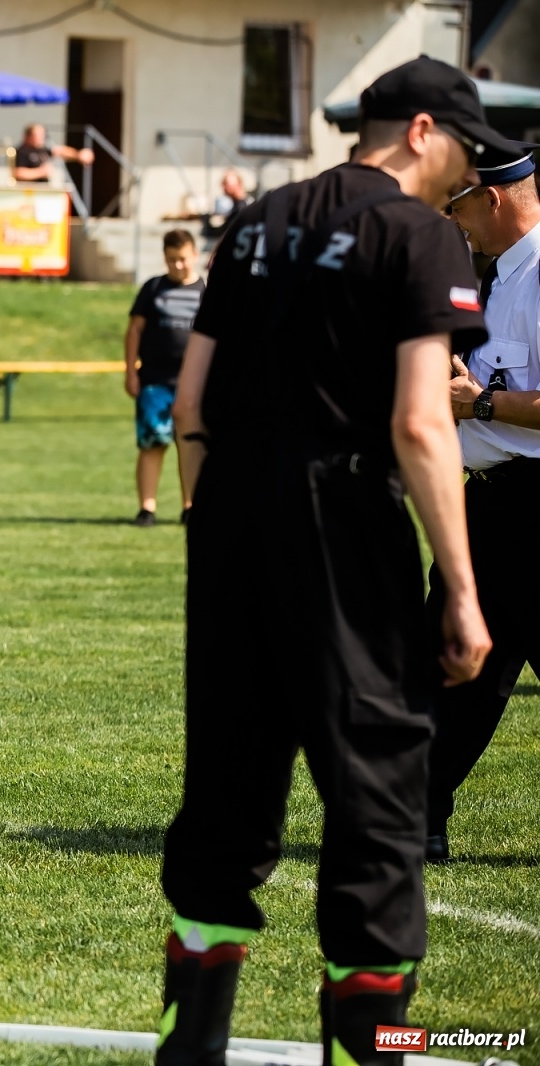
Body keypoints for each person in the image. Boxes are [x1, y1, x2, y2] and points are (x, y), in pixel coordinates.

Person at [156, 56, 497, 1066]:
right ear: (423, 130)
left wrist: (209, 531)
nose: (462, 180)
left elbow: (188, 407)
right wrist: (463, 592)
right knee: (378, 787)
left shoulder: (255, 219)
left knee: (227, 778)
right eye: (463, 158)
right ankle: (367, 1045)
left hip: (225, 518)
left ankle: (190, 1044)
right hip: (341, 517)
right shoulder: (417, 231)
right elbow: (421, 423)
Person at [430, 141, 540, 865]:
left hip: (535, 504)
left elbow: (492, 401)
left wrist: (482, 404)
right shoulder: (499, 277)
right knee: (447, 665)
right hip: (490, 505)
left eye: (458, 203)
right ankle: (417, 820)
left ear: (492, 197)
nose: (455, 220)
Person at [124, 230, 204, 526]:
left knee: (191, 445)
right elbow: (134, 330)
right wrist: (131, 371)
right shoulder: (153, 288)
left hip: (192, 384)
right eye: (172, 260)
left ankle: (191, 505)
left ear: (194, 256)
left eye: (182, 259)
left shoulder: (206, 292)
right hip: (155, 381)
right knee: (153, 442)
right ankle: (147, 508)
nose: (178, 266)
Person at [12, 123, 94, 183]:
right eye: (38, 135)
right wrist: (40, 172)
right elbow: (18, 173)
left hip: (44, 191)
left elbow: (60, 151)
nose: (42, 137)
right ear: (28, 136)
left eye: (43, 134)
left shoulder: (42, 149)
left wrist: (78, 154)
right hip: (28, 194)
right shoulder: (21, 151)